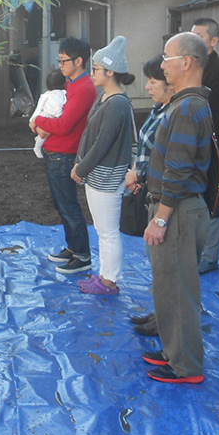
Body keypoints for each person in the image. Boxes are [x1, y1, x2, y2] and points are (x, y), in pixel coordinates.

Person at [141, 32, 213, 384]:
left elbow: (179, 169)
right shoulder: (185, 104)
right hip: (177, 211)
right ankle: (174, 350)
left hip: (179, 213)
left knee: (180, 293)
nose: (163, 64)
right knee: (168, 286)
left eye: (167, 58)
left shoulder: (187, 108)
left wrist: (160, 218)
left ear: (186, 62)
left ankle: (186, 366)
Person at [70, 36, 136, 294]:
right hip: (97, 176)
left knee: (108, 231)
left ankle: (109, 281)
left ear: (110, 71)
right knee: (102, 229)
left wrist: (80, 168)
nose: (93, 72)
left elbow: (102, 144)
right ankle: (104, 275)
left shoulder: (118, 103)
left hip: (106, 177)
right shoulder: (106, 98)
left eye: (96, 69)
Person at [31, 36, 97, 275]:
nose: (60, 65)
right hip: (56, 152)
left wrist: (38, 120)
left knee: (69, 205)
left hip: (64, 153)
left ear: (78, 61)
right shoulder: (71, 83)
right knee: (62, 204)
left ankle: (82, 254)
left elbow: (64, 124)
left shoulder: (83, 88)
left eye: (63, 60)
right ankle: (73, 246)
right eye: (59, 60)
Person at [123, 56, 175, 336]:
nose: (148, 87)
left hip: (162, 195)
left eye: (154, 81)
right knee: (155, 260)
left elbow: (170, 161)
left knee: (165, 264)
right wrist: (136, 173)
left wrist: (139, 176)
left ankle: (164, 321)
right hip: (147, 189)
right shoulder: (158, 110)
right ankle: (158, 313)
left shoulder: (175, 115)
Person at [192, 18, 219, 274]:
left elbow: (208, 111)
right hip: (189, 139)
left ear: (214, 41)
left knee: (213, 200)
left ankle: (209, 256)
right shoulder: (190, 63)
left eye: (199, 36)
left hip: (209, 142)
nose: (194, 40)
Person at [29, 70, 68, 158]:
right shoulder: (59, 94)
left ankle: (38, 141)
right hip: (48, 116)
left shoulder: (47, 94)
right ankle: (37, 146)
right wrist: (60, 115)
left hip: (44, 115)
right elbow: (58, 107)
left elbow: (39, 106)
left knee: (43, 134)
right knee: (44, 134)